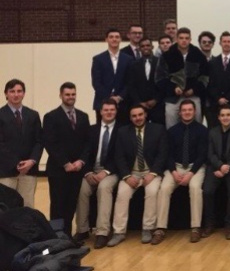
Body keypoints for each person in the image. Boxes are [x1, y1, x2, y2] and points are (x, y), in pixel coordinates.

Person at [108, 105, 168, 247]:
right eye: (134, 116)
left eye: (140, 115)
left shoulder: (158, 130)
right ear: (130, 118)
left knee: (152, 192)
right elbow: (119, 157)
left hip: (151, 172)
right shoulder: (123, 132)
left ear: (145, 115)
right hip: (131, 173)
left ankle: (148, 229)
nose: (138, 118)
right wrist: (127, 176)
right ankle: (119, 232)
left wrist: (153, 173)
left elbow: (162, 154)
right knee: (122, 194)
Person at [152, 100, 208, 245]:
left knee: (195, 188)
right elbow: (168, 154)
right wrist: (174, 172)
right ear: (180, 112)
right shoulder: (172, 131)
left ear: (194, 112)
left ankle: (196, 228)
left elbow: (202, 155)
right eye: (184, 110)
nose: (187, 112)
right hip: (176, 167)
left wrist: (191, 173)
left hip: (195, 167)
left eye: (190, 110)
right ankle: (160, 228)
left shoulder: (202, 130)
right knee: (163, 189)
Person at [42, 82, 90, 236]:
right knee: (57, 206)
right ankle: (56, 237)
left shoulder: (83, 116)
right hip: (58, 170)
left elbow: (88, 143)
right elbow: (50, 143)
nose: (71, 97)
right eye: (67, 94)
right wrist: (65, 163)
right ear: (61, 95)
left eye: (73, 94)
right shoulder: (51, 117)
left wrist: (80, 161)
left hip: (76, 170)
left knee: (71, 206)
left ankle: (68, 237)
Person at [75, 99, 119, 249]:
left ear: (116, 111)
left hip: (111, 172)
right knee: (82, 189)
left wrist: (105, 172)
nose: (109, 112)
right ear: (101, 112)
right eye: (106, 110)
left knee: (103, 188)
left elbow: (120, 157)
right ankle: (82, 230)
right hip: (91, 170)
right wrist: (87, 172)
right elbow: (85, 153)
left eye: (112, 110)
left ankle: (102, 232)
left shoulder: (122, 130)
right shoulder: (92, 130)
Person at [202, 104, 230, 239]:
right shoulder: (212, 132)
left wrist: (227, 167)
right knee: (207, 191)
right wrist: (220, 166)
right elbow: (210, 154)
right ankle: (209, 223)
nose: (225, 117)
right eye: (222, 115)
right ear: (218, 117)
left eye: (228, 115)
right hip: (215, 168)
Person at [0, 79, 42, 208]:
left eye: (19, 91)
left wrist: (32, 161)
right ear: (6, 94)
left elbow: (39, 141)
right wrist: (16, 163)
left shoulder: (33, 115)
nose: (16, 94)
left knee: (27, 207)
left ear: (24, 94)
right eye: (12, 91)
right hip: (6, 171)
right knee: (6, 209)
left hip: (29, 171)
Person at [157, 27, 209, 129]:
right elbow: (160, 77)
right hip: (172, 98)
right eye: (181, 38)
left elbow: (205, 77)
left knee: (196, 127)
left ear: (190, 39)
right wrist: (173, 88)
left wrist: (194, 89)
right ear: (176, 39)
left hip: (193, 96)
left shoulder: (198, 55)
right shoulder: (167, 56)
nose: (184, 40)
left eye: (186, 38)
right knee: (171, 128)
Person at [91, 28, 133, 122]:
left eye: (117, 37)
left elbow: (130, 81)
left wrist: (119, 97)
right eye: (111, 37)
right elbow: (96, 82)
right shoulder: (98, 59)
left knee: (122, 132)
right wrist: (109, 98)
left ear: (120, 40)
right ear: (106, 39)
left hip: (123, 103)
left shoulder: (128, 59)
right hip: (102, 102)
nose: (114, 39)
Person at [125, 37, 164, 125]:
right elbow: (131, 85)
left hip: (157, 105)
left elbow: (163, 83)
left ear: (152, 47)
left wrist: (156, 99)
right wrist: (139, 102)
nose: (145, 48)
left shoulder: (161, 63)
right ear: (139, 48)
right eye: (142, 46)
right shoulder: (133, 65)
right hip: (139, 105)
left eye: (148, 45)